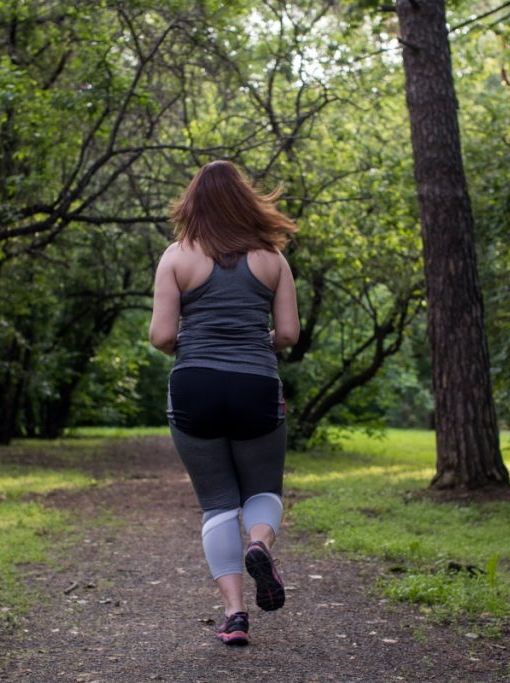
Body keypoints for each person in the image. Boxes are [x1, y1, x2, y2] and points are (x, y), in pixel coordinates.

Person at [149, 160, 300, 646]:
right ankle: (260, 543)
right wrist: (254, 344)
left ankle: (235, 615)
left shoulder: (176, 256)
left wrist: (195, 347)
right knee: (264, 491)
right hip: (256, 382)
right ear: (246, 200)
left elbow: (162, 336)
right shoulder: (272, 258)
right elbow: (290, 334)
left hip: (196, 384)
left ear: (193, 203)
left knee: (216, 503)